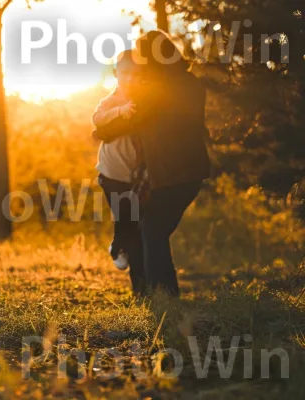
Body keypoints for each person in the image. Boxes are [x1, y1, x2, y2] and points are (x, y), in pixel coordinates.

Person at [93, 31, 211, 297]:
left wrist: (100, 132)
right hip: (188, 173)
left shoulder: (160, 90)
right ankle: (156, 294)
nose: (140, 63)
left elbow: (127, 122)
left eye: (143, 56)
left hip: (174, 175)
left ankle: (160, 295)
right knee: (150, 229)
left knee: (150, 230)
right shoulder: (189, 83)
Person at [92, 50, 146, 295]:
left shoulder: (143, 100)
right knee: (124, 216)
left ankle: (118, 246)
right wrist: (119, 111)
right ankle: (118, 247)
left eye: (135, 74)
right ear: (116, 74)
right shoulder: (111, 99)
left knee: (132, 223)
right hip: (110, 173)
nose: (130, 79)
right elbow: (97, 119)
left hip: (133, 175)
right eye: (125, 73)